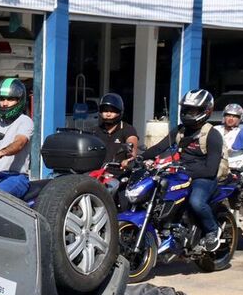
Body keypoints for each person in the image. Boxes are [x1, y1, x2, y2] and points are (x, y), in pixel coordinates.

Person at [143, 89, 223, 250]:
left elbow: (211, 170)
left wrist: (184, 170)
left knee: (196, 202)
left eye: (193, 110)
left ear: (206, 111)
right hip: (181, 174)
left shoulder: (212, 135)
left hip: (204, 178)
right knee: (157, 193)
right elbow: (159, 147)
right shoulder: (180, 130)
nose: (188, 113)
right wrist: (139, 158)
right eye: (186, 109)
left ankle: (212, 231)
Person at [91, 93, 139, 164]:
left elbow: (131, 144)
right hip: (97, 171)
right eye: (105, 111)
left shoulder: (127, 129)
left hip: (119, 171)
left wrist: (129, 159)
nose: (108, 114)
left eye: (112, 111)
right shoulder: (95, 131)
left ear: (119, 112)